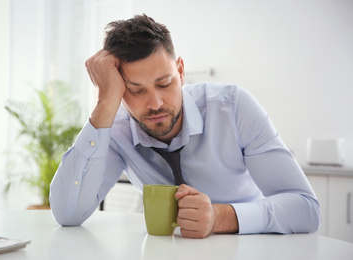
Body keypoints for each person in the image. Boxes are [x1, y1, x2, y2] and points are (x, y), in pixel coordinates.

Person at [50, 14, 320, 239]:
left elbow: (306, 208)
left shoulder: (233, 108)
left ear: (180, 71)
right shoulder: (116, 129)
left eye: (164, 83)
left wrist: (220, 217)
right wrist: (105, 102)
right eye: (135, 90)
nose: (154, 103)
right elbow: (68, 213)